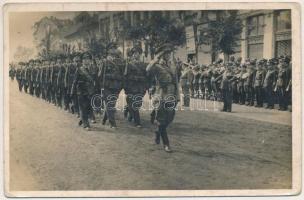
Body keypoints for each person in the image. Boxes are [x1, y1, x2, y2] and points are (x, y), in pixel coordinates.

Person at [146, 43, 179, 153]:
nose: (168, 55)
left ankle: (158, 132)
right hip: (161, 94)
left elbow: (176, 82)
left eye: (169, 53)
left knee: (170, 117)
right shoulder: (156, 65)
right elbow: (148, 69)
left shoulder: (172, 65)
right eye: (166, 53)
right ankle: (166, 144)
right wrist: (155, 59)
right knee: (161, 119)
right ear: (162, 55)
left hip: (171, 94)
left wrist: (177, 96)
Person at [99, 45, 124, 128]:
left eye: (114, 49)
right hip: (107, 86)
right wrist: (101, 87)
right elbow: (100, 75)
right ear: (108, 51)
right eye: (111, 50)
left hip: (116, 87)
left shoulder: (119, 62)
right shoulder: (104, 62)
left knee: (111, 105)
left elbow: (122, 75)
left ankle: (104, 118)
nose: (113, 51)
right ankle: (112, 123)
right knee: (110, 104)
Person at [124, 45, 148, 127]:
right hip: (131, 87)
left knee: (137, 104)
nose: (135, 55)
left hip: (140, 88)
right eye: (133, 53)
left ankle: (129, 110)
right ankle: (137, 122)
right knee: (133, 104)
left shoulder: (144, 65)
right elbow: (126, 76)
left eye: (137, 53)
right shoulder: (129, 64)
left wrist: (146, 86)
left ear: (140, 54)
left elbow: (146, 76)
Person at [71, 53, 95, 130]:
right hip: (81, 91)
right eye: (84, 59)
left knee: (88, 108)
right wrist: (72, 91)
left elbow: (96, 81)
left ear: (90, 60)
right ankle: (86, 124)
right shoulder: (79, 69)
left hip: (90, 91)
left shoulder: (93, 69)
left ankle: (82, 119)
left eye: (88, 59)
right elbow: (74, 82)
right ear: (82, 61)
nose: (86, 61)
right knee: (83, 107)